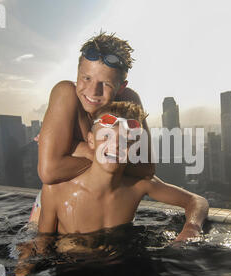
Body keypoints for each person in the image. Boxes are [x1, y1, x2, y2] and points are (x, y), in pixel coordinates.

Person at [29, 31, 154, 224]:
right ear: (77, 73)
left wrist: (76, 148)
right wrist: (106, 156)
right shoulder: (66, 93)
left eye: (105, 84)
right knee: (35, 251)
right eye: (86, 78)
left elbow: (145, 169)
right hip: (60, 201)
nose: (92, 91)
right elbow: (49, 172)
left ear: (121, 87)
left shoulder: (129, 100)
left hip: (108, 204)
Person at [39, 101, 209, 241]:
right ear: (91, 141)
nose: (116, 145)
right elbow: (40, 245)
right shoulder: (56, 190)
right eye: (107, 136)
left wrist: (191, 229)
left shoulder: (138, 185)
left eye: (126, 141)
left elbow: (197, 201)